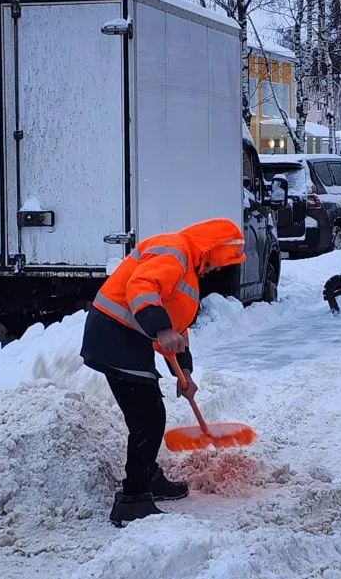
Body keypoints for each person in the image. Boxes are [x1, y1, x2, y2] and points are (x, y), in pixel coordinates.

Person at [80, 218, 247, 525]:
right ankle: (133, 500)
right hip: (113, 334)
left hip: (126, 337)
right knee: (148, 417)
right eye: (219, 262)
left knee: (146, 413)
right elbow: (141, 287)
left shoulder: (187, 270)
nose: (216, 270)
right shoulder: (175, 250)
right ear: (212, 250)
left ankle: (147, 476)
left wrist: (185, 374)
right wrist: (160, 328)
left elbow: (177, 329)